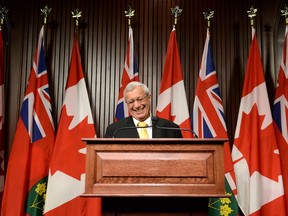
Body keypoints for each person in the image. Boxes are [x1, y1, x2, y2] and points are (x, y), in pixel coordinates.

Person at [105, 81, 183, 138]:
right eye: (131, 102)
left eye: (140, 99)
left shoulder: (171, 129)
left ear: (149, 98)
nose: (137, 105)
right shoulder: (115, 130)